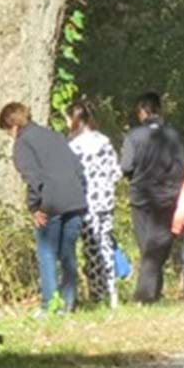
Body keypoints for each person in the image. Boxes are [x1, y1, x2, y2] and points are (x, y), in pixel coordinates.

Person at [0, 102, 88, 315]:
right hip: (75, 199)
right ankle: (68, 303)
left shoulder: (22, 144)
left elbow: (33, 179)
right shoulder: (54, 135)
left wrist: (34, 207)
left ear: (12, 126)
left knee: (47, 252)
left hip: (51, 202)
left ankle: (49, 305)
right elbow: (78, 168)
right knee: (68, 253)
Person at [120, 92, 184, 306]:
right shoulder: (173, 136)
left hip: (141, 196)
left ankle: (144, 294)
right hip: (167, 197)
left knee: (147, 246)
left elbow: (126, 166)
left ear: (142, 111)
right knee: (157, 246)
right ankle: (152, 292)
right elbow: (183, 164)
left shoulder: (133, 136)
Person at [65, 101, 122, 310]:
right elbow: (116, 172)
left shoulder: (74, 147)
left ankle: (97, 293)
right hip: (106, 201)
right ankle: (112, 290)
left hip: (86, 203)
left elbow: (71, 177)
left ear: (75, 120)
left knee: (91, 248)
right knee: (106, 243)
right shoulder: (104, 141)